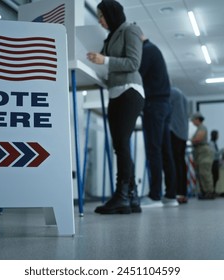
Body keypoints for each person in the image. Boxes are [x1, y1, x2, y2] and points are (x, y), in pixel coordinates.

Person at [87, 0, 145, 214]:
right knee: (121, 145)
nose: (100, 20)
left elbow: (133, 63)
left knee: (121, 143)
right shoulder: (111, 36)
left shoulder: (130, 29)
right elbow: (106, 62)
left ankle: (122, 196)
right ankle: (132, 197)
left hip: (130, 90)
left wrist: (105, 61)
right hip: (116, 92)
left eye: (102, 16)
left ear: (112, 14)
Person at [138, 33, 177, 208]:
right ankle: (170, 196)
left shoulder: (146, 51)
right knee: (165, 152)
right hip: (164, 105)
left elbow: (137, 75)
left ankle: (155, 196)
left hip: (154, 105)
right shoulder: (154, 50)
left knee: (154, 149)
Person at [169, 87, 189, 204]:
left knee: (174, 164)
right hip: (183, 133)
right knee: (180, 164)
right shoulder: (181, 94)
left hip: (174, 131)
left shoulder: (170, 93)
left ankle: (176, 193)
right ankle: (182, 193)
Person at [190, 112, 215, 199]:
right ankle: (204, 192)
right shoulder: (198, 128)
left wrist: (191, 140)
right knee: (200, 173)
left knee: (204, 172)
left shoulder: (202, 128)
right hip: (198, 152)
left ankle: (209, 192)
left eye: (193, 120)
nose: (192, 122)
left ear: (197, 119)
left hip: (203, 151)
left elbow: (198, 139)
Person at [210, 130, 220, 194]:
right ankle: (212, 190)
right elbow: (215, 153)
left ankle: (214, 190)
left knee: (216, 177)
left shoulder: (215, 143)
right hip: (213, 162)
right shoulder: (211, 143)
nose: (218, 136)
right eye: (217, 135)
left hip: (216, 161)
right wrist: (223, 150)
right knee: (214, 176)